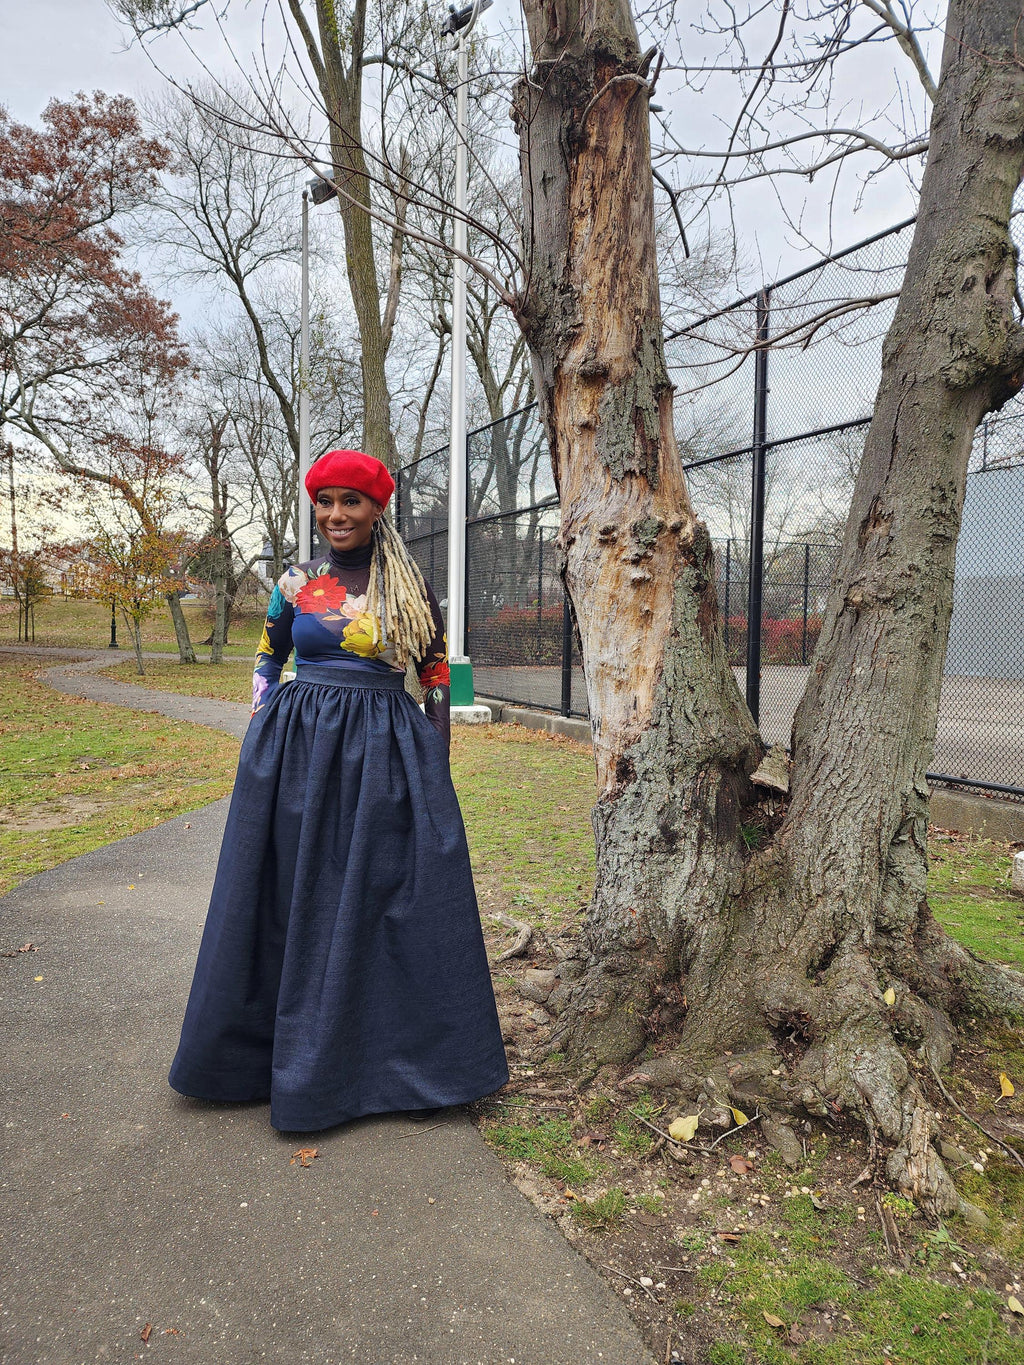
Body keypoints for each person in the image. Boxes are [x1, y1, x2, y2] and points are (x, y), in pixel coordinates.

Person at [169, 449, 508, 1131]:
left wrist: (433, 767)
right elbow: (269, 659)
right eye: (325, 500)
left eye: (350, 501)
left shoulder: (409, 590)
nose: (335, 514)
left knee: (377, 900)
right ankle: (255, 1058)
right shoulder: (296, 584)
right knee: (285, 895)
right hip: (295, 757)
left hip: (385, 756)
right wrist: (263, 732)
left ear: (378, 508)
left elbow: (436, 678)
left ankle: (381, 1065)